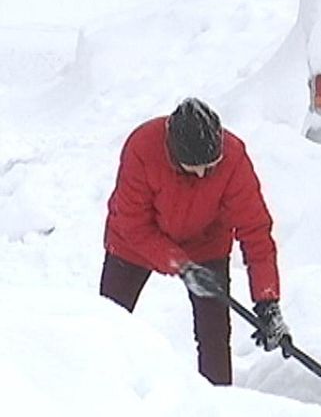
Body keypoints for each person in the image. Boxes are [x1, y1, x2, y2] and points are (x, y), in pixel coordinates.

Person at [99, 97, 290, 385]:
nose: (202, 174)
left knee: (214, 336)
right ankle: (97, 390)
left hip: (206, 243)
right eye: (193, 167)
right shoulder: (143, 148)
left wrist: (268, 303)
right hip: (132, 245)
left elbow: (256, 231)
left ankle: (218, 403)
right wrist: (182, 266)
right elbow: (133, 225)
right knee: (108, 323)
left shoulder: (233, 157)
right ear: (173, 154)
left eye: (210, 166)